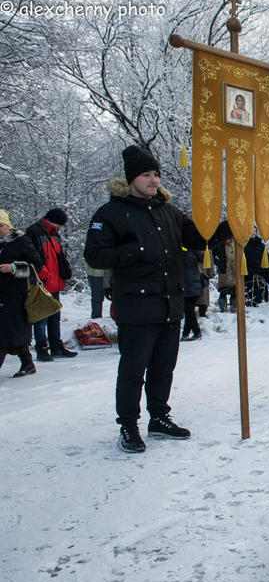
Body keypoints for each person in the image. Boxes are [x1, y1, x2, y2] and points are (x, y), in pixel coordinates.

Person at [84, 145, 209, 453]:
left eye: (156, 174)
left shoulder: (168, 211)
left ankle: (159, 417)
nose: (154, 181)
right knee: (132, 370)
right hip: (136, 306)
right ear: (130, 179)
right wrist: (136, 250)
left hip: (171, 303)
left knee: (164, 367)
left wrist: (225, 225)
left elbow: (197, 238)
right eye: (146, 175)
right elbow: (94, 255)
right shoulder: (110, 213)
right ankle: (128, 425)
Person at [26, 208, 77, 361]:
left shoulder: (54, 233)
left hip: (55, 281)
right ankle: (42, 349)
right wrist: (42, 273)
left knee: (55, 316)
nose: (60, 228)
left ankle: (56, 346)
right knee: (41, 318)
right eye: (60, 225)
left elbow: (59, 256)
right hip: (42, 283)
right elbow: (30, 256)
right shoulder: (34, 232)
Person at [0, 209, 42, 378]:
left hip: (15, 295)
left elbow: (36, 266)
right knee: (10, 332)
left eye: (1, 225)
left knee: (9, 332)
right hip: (1, 294)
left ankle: (26, 362)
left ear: (8, 225)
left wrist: (14, 268)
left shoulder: (21, 241)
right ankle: (27, 362)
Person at [181, 247, 204, 342]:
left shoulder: (183, 252)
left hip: (188, 284)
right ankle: (185, 334)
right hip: (194, 284)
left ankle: (197, 331)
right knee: (189, 309)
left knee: (188, 309)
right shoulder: (193, 250)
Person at [243, 232, 269, 306]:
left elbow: (267, 259)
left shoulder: (261, 245)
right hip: (249, 271)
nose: (253, 232)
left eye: (254, 230)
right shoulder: (243, 245)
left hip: (260, 271)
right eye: (251, 230)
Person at [213, 234, 237, 312]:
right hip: (224, 270)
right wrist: (219, 263)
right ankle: (223, 309)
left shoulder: (236, 242)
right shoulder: (220, 243)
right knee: (223, 291)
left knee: (234, 291)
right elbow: (212, 255)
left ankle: (234, 308)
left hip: (235, 270)